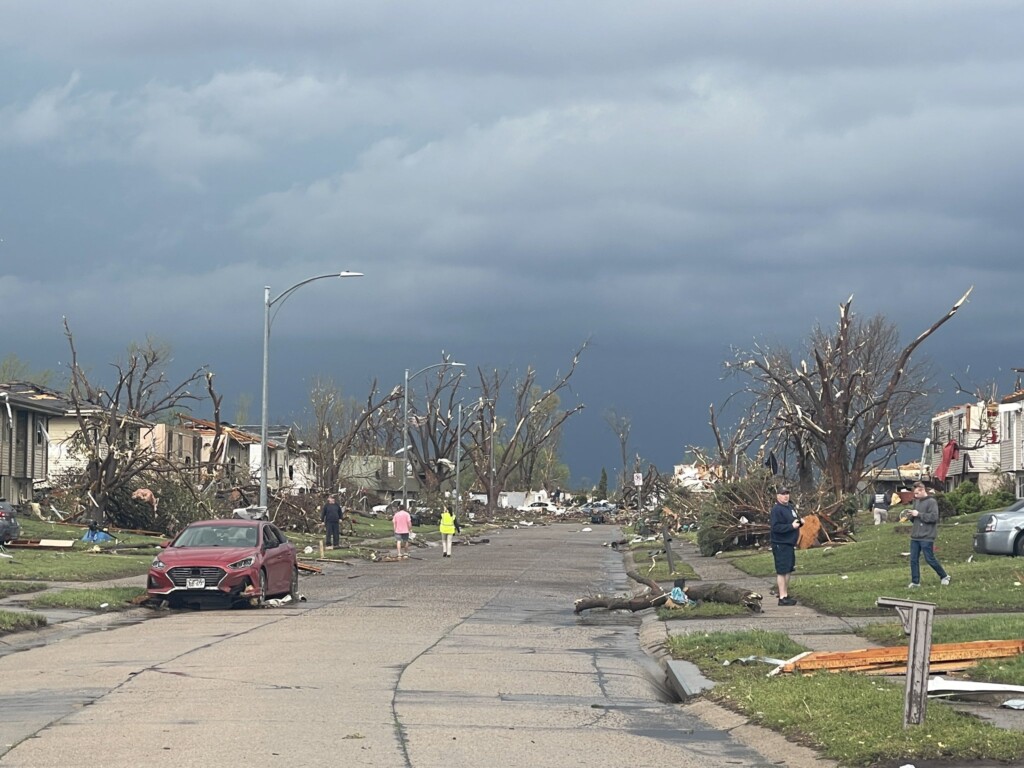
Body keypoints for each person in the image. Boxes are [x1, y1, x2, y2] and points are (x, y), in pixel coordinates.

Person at [906, 481, 950, 588]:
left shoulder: (931, 502)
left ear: (922, 490)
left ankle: (944, 576)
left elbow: (934, 517)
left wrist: (919, 514)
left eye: (917, 493)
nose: (915, 496)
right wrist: (911, 516)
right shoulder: (916, 502)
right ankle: (915, 582)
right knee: (913, 560)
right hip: (915, 536)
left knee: (929, 559)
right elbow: (916, 519)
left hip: (927, 536)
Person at [769, 487, 802, 606]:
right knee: (782, 570)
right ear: (777, 496)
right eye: (783, 494)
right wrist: (791, 527)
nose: (786, 496)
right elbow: (776, 527)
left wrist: (799, 523)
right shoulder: (776, 510)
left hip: (789, 543)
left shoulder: (789, 507)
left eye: (787, 493)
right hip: (780, 544)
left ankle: (785, 594)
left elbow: (794, 520)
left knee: (788, 569)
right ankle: (782, 597)